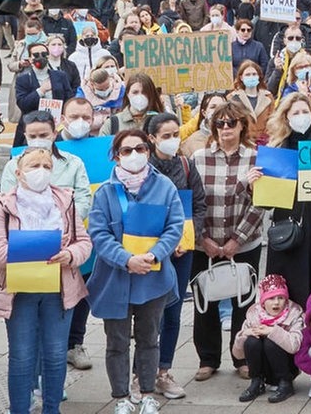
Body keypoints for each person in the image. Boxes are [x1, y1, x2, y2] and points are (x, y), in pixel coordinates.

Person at [0, 148, 90, 414]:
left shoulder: (66, 201)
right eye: (33, 165)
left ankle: (51, 409)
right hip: (20, 291)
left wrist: (69, 254)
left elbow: (84, 242)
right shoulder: (2, 206)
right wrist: (36, 250)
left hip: (59, 289)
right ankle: (20, 409)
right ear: (18, 173)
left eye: (46, 165)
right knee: (21, 357)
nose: (40, 170)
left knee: (54, 355)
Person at [86, 128, 186, 414]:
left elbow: (174, 225)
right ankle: (121, 397)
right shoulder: (105, 192)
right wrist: (126, 259)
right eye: (127, 150)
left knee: (148, 338)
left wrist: (154, 255)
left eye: (140, 149)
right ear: (116, 156)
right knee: (116, 341)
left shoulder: (165, 186)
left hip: (153, 278)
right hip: (115, 278)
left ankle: (147, 393)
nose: (134, 155)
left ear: (148, 150)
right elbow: (99, 233)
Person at [187, 99, 264, 381]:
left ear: (242, 125)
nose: (225, 128)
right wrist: (203, 238)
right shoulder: (199, 158)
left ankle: (241, 358)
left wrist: (236, 240)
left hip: (244, 242)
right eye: (220, 123)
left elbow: (261, 203)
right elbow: (195, 202)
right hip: (205, 242)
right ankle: (207, 359)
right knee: (204, 301)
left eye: (231, 122)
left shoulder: (255, 157)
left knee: (243, 303)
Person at [141, 111, 202, 400]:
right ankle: (142, 372)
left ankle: (163, 371)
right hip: (148, 253)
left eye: (176, 134)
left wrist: (189, 236)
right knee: (147, 314)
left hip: (181, 252)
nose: (172, 140)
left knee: (173, 312)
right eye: (166, 136)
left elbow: (198, 206)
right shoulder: (141, 168)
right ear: (152, 138)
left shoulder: (187, 166)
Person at [262, 92, 311, 308]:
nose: (301, 116)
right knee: (288, 291)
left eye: (305, 111)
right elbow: (266, 203)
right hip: (286, 230)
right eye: (295, 112)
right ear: (286, 117)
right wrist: (256, 184)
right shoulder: (276, 152)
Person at [234, 274, 303, 404]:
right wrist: (244, 334)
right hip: (263, 365)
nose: (276, 302)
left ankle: (286, 383)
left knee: (271, 342)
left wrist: (273, 331)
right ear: (263, 302)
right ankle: (256, 382)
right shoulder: (254, 315)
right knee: (252, 341)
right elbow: (238, 355)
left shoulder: (293, 314)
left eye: (280, 298)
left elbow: (295, 346)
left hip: (286, 365)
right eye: (271, 298)